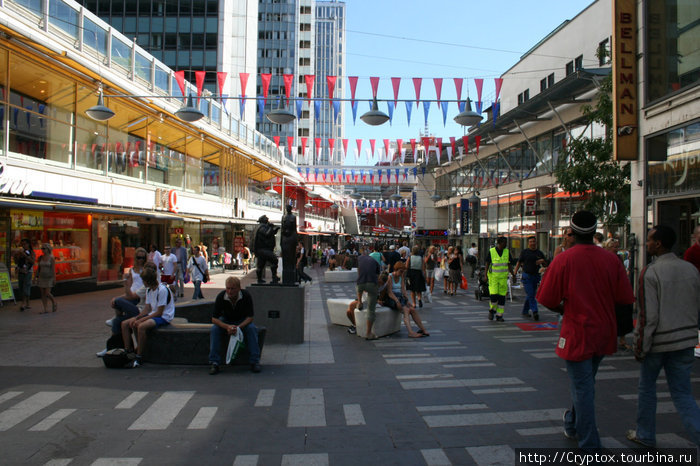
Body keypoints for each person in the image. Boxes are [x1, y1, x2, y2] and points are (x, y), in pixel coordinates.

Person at [536, 211, 635, 451]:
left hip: (577, 332)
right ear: (594, 231)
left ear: (571, 232)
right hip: (604, 332)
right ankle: (571, 422)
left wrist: (564, 308)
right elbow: (624, 298)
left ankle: (590, 443)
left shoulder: (564, 259)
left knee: (583, 387)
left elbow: (546, 297)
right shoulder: (611, 260)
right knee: (585, 383)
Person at [626, 225, 700, 448]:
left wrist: (640, 345)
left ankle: (645, 433)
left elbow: (648, 315)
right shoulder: (690, 269)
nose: (646, 243)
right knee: (682, 393)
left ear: (658, 244)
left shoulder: (651, 271)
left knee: (647, 388)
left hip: (658, 342)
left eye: (649, 240)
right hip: (686, 340)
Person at [121, 266, 175, 368]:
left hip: (164, 317)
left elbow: (159, 312)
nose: (143, 283)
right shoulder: (149, 290)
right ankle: (128, 351)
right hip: (153, 314)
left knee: (141, 326)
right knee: (125, 324)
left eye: (143, 281)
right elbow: (147, 309)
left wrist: (141, 320)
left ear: (148, 281)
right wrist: (137, 318)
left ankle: (139, 355)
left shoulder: (162, 290)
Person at [208, 276, 261, 374]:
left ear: (239, 288)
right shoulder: (221, 297)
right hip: (226, 320)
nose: (230, 291)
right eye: (228, 288)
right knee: (215, 330)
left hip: (242, 321)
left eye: (233, 288)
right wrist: (227, 327)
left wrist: (238, 327)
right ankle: (214, 362)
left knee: (252, 329)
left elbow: (250, 317)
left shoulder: (246, 296)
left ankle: (255, 361)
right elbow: (214, 319)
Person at [386, 261, 429, 338]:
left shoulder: (401, 277)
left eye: (403, 272)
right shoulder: (390, 277)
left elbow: (403, 290)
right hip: (392, 298)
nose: (402, 273)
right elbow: (389, 292)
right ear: (396, 269)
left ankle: (423, 329)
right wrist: (397, 301)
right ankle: (410, 332)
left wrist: (407, 300)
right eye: (401, 271)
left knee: (412, 309)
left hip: (400, 297)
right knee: (406, 309)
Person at [513, 236, 547, 320]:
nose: (532, 243)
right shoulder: (525, 252)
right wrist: (514, 273)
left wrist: (542, 261)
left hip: (535, 276)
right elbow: (519, 263)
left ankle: (525, 311)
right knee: (531, 294)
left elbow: (545, 265)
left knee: (530, 294)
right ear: (528, 243)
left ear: (536, 243)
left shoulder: (539, 253)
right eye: (531, 242)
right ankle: (535, 311)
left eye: (534, 242)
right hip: (526, 276)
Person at [485, 237, 514, 321]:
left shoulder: (507, 252)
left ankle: (499, 315)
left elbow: (509, 265)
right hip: (493, 278)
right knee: (494, 296)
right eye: (504, 242)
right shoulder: (492, 251)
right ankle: (492, 310)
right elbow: (487, 263)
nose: (506, 244)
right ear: (499, 243)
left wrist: (513, 274)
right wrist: (485, 275)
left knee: (502, 298)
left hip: (503, 279)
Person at [355, 247, 381, 340]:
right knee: (371, 309)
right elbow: (377, 276)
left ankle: (359, 301)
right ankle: (369, 333)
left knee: (358, 285)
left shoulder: (359, 258)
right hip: (372, 283)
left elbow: (359, 271)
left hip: (360, 283)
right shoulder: (375, 262)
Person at [251, 215, 280, 284]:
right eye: (266, 218)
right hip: (263, 249)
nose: (268, 219)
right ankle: (273, 277)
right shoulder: (261, 227)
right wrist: (271, 227)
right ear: (263, 220)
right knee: (274, 260)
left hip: (263, 249)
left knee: (261, 264)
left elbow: (269, 234)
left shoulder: (262, 227)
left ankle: (260, 279)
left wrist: (274, 230)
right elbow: (267, 234)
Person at [35, 244, 57, 314]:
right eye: (42, 248)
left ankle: (54, 301)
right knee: (43, 294)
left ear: (48, 249)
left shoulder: (51, 258)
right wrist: (35, 277)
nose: (43, 250)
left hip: (49, 277)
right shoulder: (41, 257)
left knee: (47, 293)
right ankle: (45, 308)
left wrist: (54, 278)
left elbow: (53, 269)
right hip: (41, 277)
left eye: (44, 248)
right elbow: (38, 268)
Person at [281, 204, 299, 285]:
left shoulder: (293, 217)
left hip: (291, 237)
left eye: (288, 208)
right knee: (285, 254)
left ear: (291, 209)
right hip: (285, 236)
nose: (287, 209)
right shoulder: (283, 217)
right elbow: (282, 227)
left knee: (291, 255)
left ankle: (291, 268)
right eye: (286, 208)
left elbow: (294, 228)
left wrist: (295, 239)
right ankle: (286, 269)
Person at [16, 238, 35, 311]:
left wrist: (25, 255)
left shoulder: (31, 252)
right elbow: (16, 262)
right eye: (22, 244)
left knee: (26, 286)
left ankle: (23, 303)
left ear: (28, 244)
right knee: (21, 286)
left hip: (28, 272)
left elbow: (32, 261)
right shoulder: (21, 252)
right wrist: (16, 256)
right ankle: (27, 303)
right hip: (21, 271)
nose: (24, 246)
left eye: (25, 244)